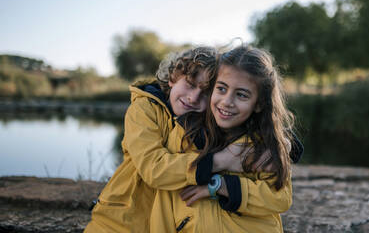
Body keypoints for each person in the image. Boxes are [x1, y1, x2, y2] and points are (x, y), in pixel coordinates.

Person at [84, 46, 249, 233]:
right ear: (172, 79)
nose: (193, 98)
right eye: (190, 84)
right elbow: (153, 168)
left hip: (171, 223)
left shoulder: (211, 119)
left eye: (205, 93)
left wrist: (285, 145)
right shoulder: (144, 109)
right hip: (121, 222)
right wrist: (221, 161)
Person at [149, 45, 301, 232]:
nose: (227, 101)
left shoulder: (264, 146)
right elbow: (164, 200)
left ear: (259, 104)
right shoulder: (185, 134)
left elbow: (279, 199)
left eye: (241, 95)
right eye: (221, 89)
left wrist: (220, 186)